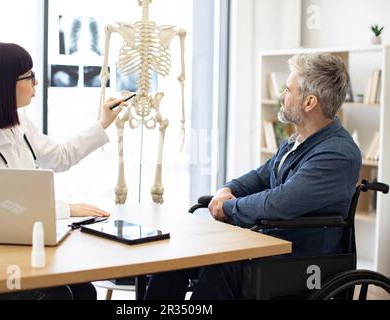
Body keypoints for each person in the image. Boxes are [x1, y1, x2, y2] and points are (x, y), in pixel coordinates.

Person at [145, 53, 362, 300]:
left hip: (299, 260)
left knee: (222, 264)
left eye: (288, 90)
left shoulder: (337, 154)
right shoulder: (298, 141)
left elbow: (280, 202)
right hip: (269, 242)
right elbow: (260, 177)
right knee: (178, 253)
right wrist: (226, 190)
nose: (282, 96)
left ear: (309, 102)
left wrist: (228, 207)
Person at [0, 42, 126, 299]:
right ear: (3, 83)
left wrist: (102, 123)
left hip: (25, 249)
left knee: (84, 291)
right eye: (30, 76)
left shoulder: (20, 121)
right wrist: (66, 208)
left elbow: (60, 157)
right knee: (60, 297)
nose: (36, 83)